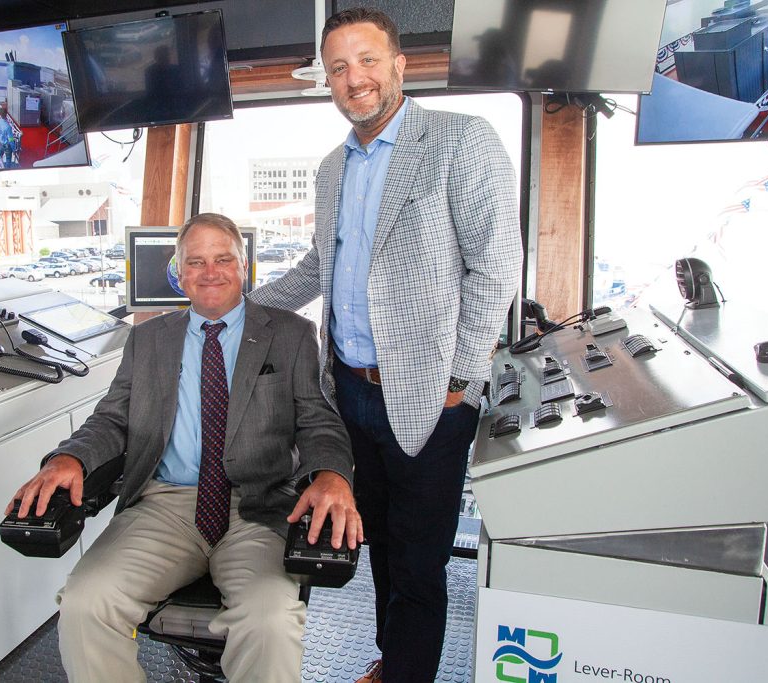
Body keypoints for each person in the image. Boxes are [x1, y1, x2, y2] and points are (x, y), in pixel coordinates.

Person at [250, 7, 523, 683]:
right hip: (348, 393)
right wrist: (236, 307)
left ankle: (407, 675)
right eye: (339, 67)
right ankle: (390, 659)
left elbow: (496, 267)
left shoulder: (463, 140)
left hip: (433, 395)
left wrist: (460, 382)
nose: (354, 79)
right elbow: (319, 267)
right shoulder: (330, 168)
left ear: (400, 65)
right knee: (375, 545)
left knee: (421, 563)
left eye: (368, 60)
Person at [7, 212, 363, 683]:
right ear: (179, 272)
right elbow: (112, 419)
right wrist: (69, 458)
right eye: (195, 262)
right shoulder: (148, 339)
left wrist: (333, 476)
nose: (210, 272)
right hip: (164, 507)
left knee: (270, 620)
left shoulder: (291, 334)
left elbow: (319, 422)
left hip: (257, 506)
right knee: (86, 603)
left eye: (222, 259)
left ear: (244, 266)